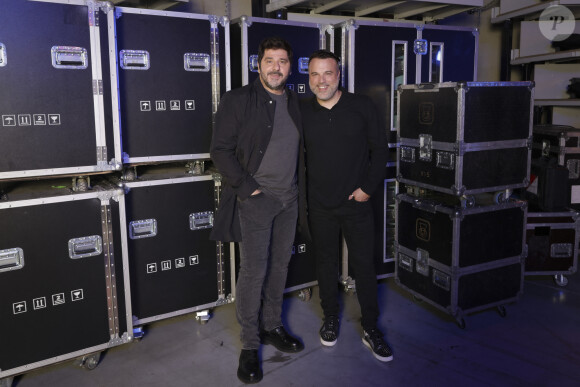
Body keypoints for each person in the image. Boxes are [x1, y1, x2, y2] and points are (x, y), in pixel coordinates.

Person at [210, 37, 309, 384]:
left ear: (290, 67)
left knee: (281, 265)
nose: (276, 67)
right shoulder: (239, 100)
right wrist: (249, 189)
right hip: (256, 200)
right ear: (259, 64)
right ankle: (250, 345)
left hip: (289, 200)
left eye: (283, 61)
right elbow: (219, 150)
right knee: (254, 270)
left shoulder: (297, 102)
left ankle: (271, 326)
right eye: (270, 60)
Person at [300, 49, 392, 362]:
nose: (321, 80)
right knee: (325, 265)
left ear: (339, 75)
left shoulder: (362, 106)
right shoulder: (302, 111)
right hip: (320, 205)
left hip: (356, 204)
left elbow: (380, 150)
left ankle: (371, 327)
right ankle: (330, 318)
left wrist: (367, 189)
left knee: (364, 265)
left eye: (328, 73)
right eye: (314, 74)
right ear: (309, 78)